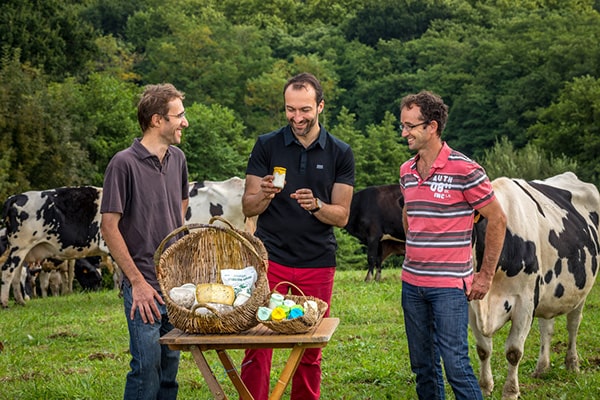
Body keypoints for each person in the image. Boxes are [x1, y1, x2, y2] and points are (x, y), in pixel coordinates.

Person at [240, 72, 355, 400]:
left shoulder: (339, 153)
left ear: (320, 106)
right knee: (258, 344)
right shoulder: (267, 145)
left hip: (317, 262)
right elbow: (248, 206)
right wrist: (263, 194)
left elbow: (343, 216)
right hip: (270, 259)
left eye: (304, 109)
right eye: (290, 109)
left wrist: (317, 205)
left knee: (309, 349)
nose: (297, 117)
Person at [398, 90, 507, 400]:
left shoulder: (466, 170)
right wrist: (416, 248)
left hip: (448, 287)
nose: (404, 132)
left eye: (410, 126)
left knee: (456, 365)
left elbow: (497, 219)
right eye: (402, 125)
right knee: (422, 366)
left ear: (431, 127)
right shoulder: (407, 171)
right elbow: (410, 214)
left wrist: (485, 275)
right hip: (411, 285)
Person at [100, 83, 190, 400]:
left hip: (174, 285)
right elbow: (109, 226)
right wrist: (136, 281)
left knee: (169, 373)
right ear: (156, 120)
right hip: (143, 287)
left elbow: (179, 207)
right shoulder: (123, 163)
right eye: (178, 115)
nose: (185, 122)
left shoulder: (178, 159)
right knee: (145, 371)